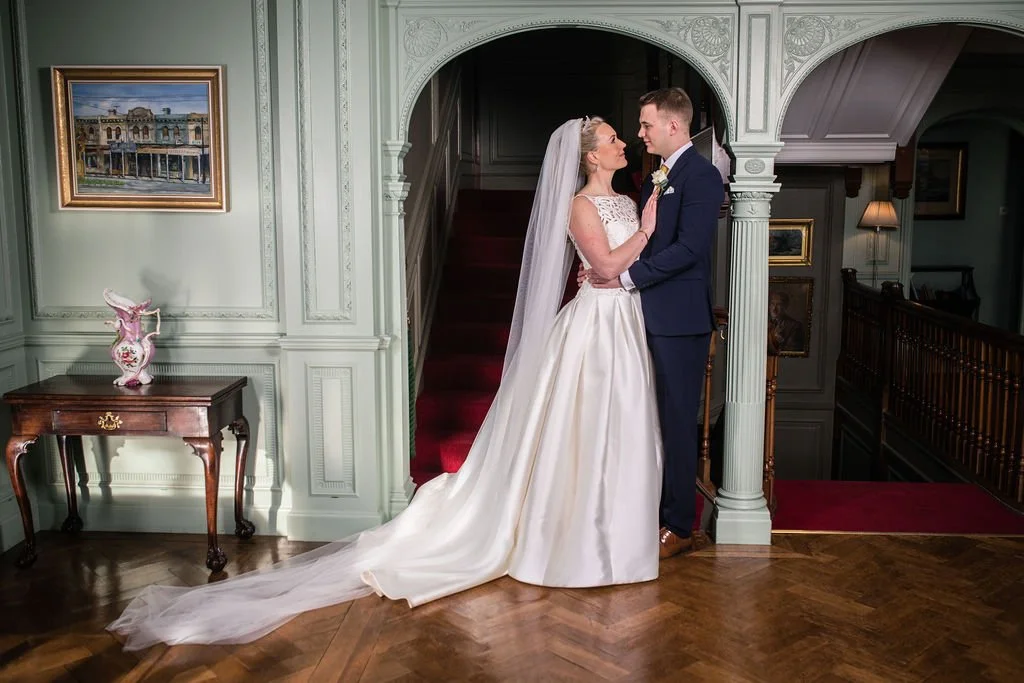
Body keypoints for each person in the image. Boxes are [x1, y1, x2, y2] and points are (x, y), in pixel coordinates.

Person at [107, 117, 664, 650]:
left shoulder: (627, 196)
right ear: (591, 155)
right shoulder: (581, 204)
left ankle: (611, 539)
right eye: (615, 139)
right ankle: (565, 543)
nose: (624, 145)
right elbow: (608, 266)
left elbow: (621, 266)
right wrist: (646, 231)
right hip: (593, 322)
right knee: (580, 428)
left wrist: (639, 229)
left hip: (623, 322)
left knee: (616, 430)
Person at [584, 87, 724, 559]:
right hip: (639, 317)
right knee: (648, 421)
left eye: (645, 125)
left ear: (673, 125)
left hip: (679, 321)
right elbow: (644, 239)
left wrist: (623, 278)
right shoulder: (654, 179)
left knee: (679, 422)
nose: (639, 134)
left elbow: (689, 250)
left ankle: (680, 526)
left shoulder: (701, 177)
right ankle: (646, 510)